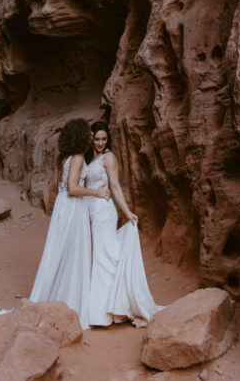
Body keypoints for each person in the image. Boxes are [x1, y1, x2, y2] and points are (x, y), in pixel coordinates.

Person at [29, 118, 109, 328]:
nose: (92, 136)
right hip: (73, 208)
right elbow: (73, 188)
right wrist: (96, 192)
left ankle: (58, 298)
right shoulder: (78, 159)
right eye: (89, 134)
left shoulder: (66, 158)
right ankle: (68, 304)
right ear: (80, 136)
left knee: (61, 252)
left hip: (65, 207)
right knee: (72, 255)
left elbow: (63, 186)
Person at [84, 121, 162, 327]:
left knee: (103, 255)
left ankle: (104, 312)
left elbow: (115, 187)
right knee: (100, 254)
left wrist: (127, 212)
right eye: (97, 138)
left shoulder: (108, 157)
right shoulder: (89, 157)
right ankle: (111, 304)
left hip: (103, 211)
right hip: (91, 210)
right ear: (91, 137)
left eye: (104, 139)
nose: (100, 143)